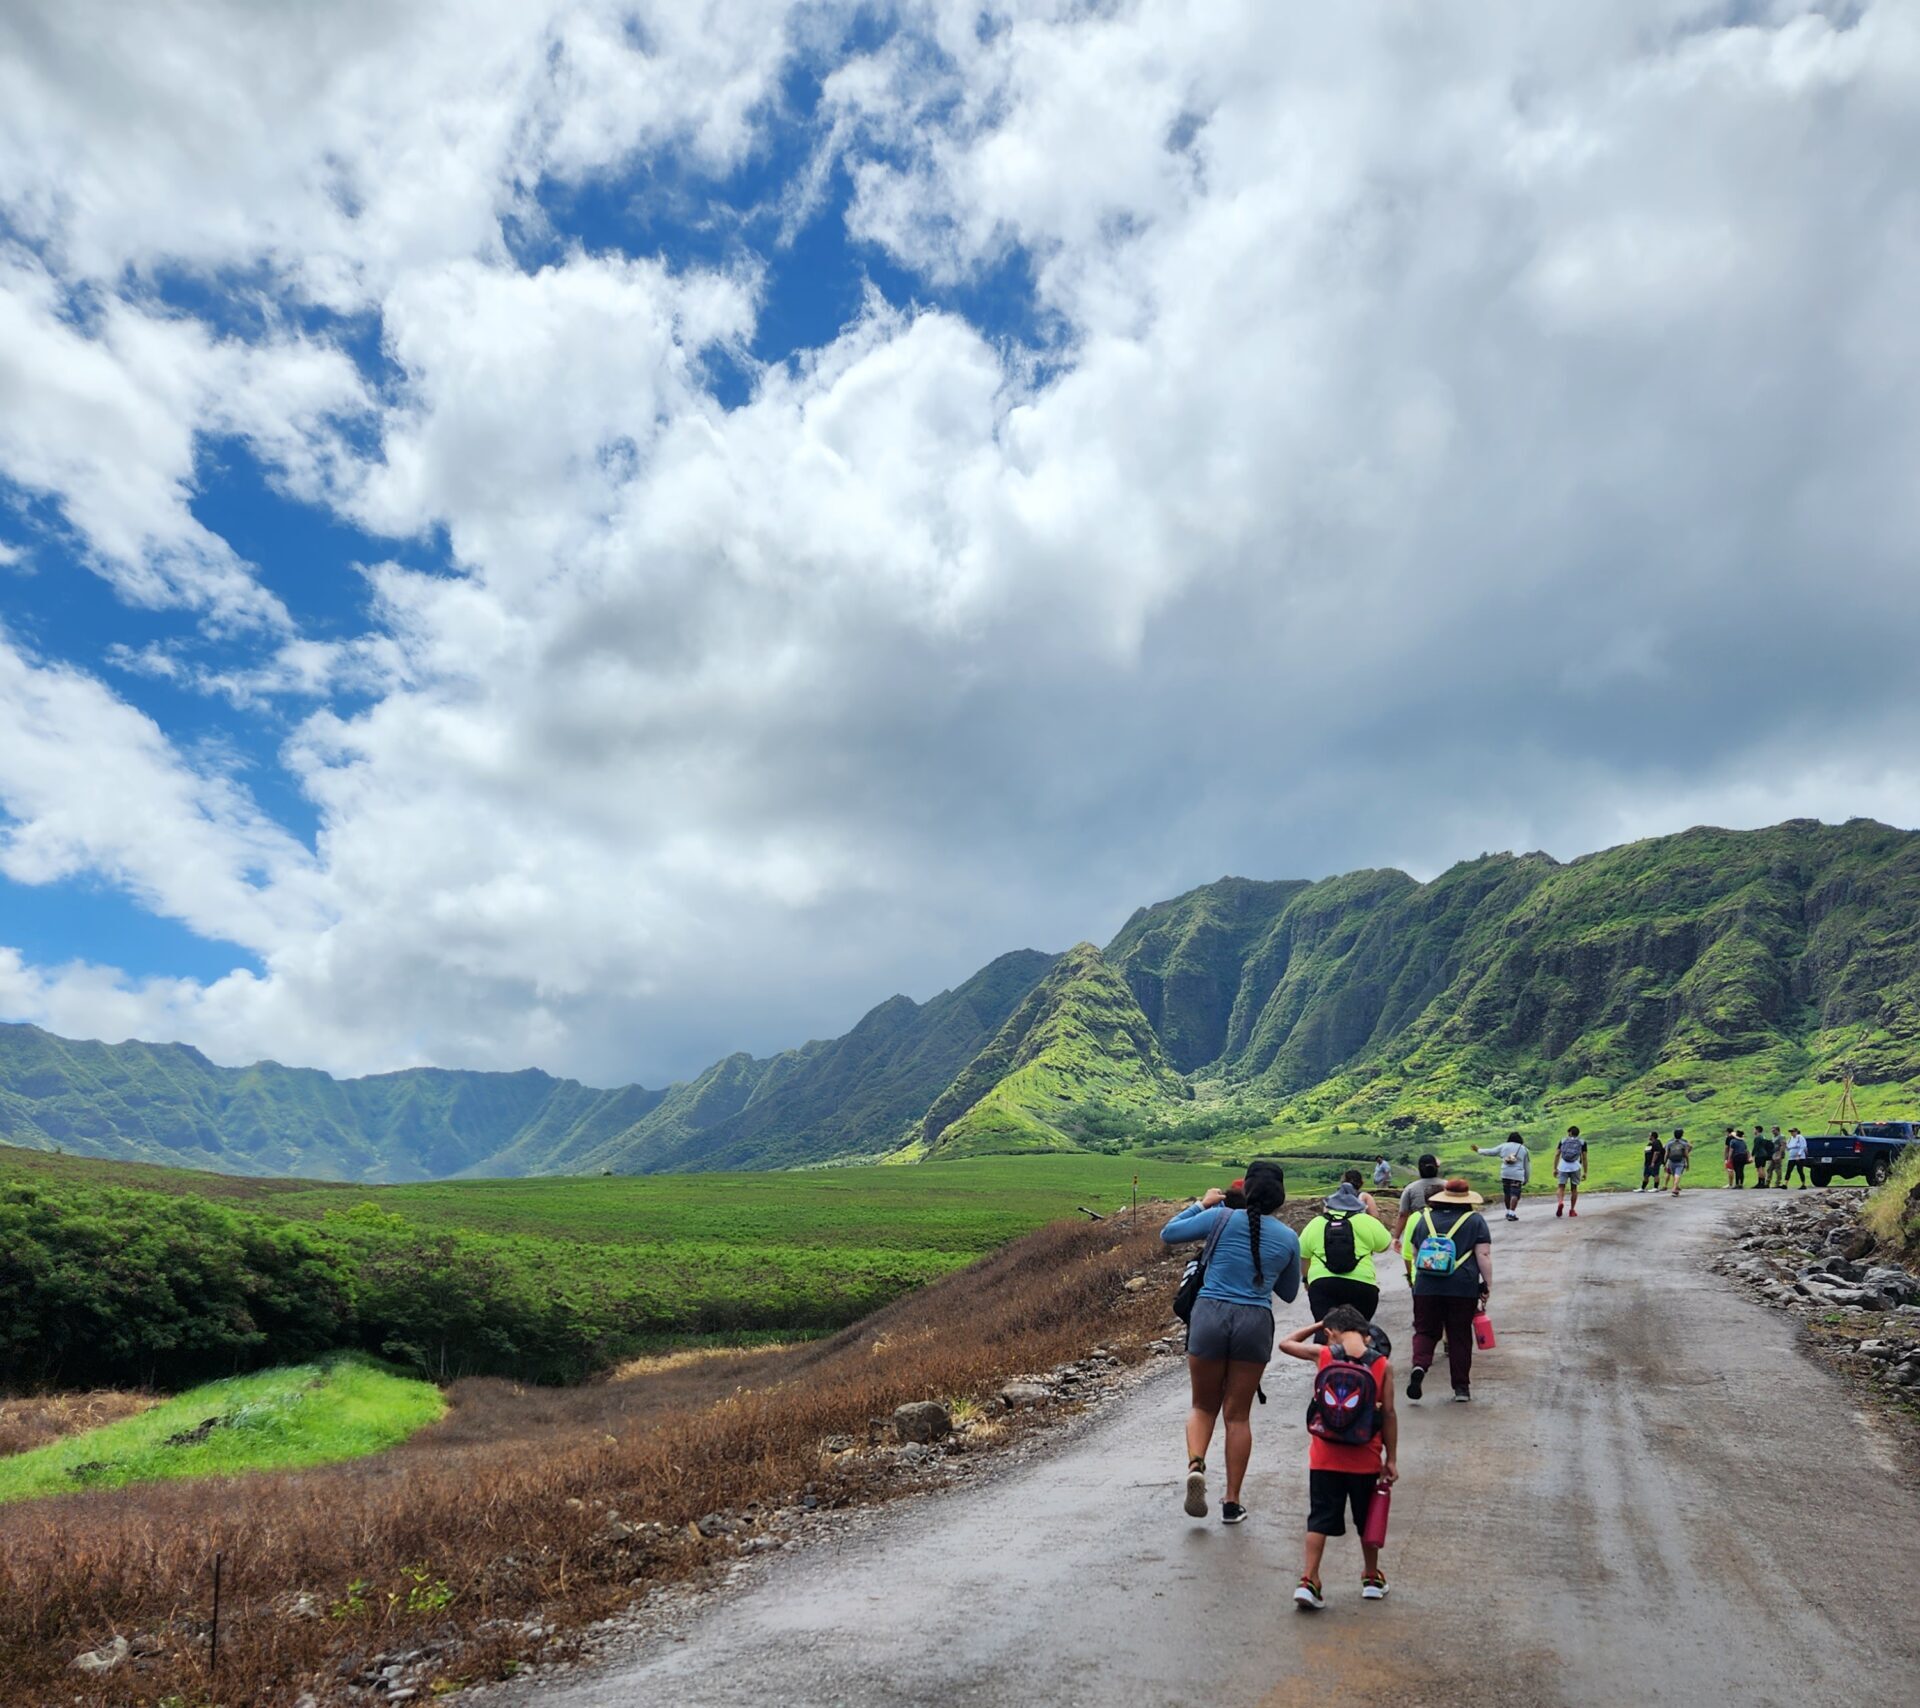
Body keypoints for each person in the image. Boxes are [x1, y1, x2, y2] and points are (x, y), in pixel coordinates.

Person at [1160, 1161, 1301, 1524]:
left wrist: (1201, 1203)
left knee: (1202, 1406)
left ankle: (1196, 1465)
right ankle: (1231, 1501)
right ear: (1280, 1198)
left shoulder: (1220, 1218)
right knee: (1237, 1416)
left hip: (1209, 1315)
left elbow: (1169, 1233)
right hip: (1254, 1323)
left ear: (1247, 1190)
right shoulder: (1288, 1238)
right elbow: (1287, 1292)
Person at [1276, 1305, 1398, 1610]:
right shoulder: (1382, 1364)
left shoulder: (1325, 1355)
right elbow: (1390, 1414)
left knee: (1319, 1518)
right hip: (1365, 1458)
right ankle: (1371, 1578)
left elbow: (1285, 1343)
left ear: (1332, 1333)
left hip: (1324, 1457)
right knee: (1365, 1520)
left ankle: (1309, 1580)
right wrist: (1390, 1458)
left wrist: (1317, 1324)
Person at [1400, 1178, 1492, 1403]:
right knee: (1459, 1335)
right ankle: (1461, 1388)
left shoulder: (1424, 1219)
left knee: (1425, 1331)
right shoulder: (1475, 1220)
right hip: (1462, 1286)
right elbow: (1483, 1255)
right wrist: (1487, 1284)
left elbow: (1414, 1252)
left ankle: (1420, 1366)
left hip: (1426, 1286)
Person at [1299, 1180, 1395, 1323]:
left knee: (1324, 1329)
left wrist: (1307, 1280)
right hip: (1362, 1286)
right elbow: (1385, 1245)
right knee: (1358, 1331)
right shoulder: (1366, 1221)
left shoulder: (1316, 1223)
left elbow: (1304, 1255)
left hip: (1322, 1285)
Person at [1475, 1131, 1530, 1221]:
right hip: (1517, 1174)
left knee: (1507, 1193)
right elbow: (1527, 1165)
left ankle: (1508, 1211)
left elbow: (1491, 1152)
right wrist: (1526, 1178)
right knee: (1515, 1194)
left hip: (1505, 1173)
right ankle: (1511, 1213)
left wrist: (1479, 1150)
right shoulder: (1523, 1149)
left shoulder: (1504, 1146)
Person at [1554, 1126, 1588, 1218]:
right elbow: (1584, 1158)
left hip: (1563, 1166)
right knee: (1574, 1188)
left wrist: (1555, 1168)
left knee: (1561, 1186)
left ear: (1569, 1133)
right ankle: (1572, 1210)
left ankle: (1560, 1202)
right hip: (1575, 1167)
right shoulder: (1582, 1142)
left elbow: (1557, 1154)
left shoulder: (1563, 1141)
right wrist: (1585, 1172)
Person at [1665, 1129, 1692, 1195]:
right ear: (1682, 1135)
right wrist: (1688, 1163)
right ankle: (1674, 1188)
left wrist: (1665, 1163)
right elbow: (1686, 1155)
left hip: (1671, 1161)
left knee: (1674, 1175)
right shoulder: (1684, 1143)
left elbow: (1666, 1154)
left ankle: (1675, 1188)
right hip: (1680, 1161)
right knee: (1677, 1175)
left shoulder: (1670, 1143)